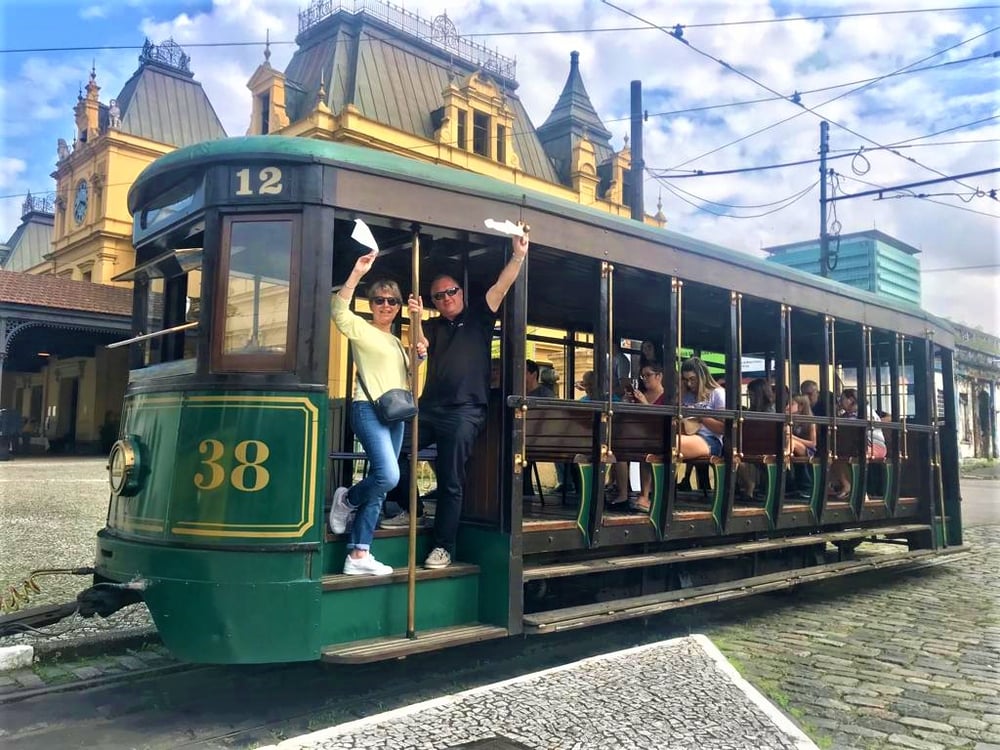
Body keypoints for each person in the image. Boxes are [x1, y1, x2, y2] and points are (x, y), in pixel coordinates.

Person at [390, 233, 529, 570]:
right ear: (434, 301)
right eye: (440, 295)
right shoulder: (434, 327)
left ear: (461, 293)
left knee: (451, 479)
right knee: (394, 448)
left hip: (466, 411)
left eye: (451, 292)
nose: (447, 298)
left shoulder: (480, 316)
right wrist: (416, 318)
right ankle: (413, 507)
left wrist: (518, 256)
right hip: (430, 408)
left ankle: (443, 547)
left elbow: (501, 286)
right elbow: (418, 347)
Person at [328, 250, 425, 576]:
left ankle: (358, 554)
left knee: (382, 485)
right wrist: (357, 271)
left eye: (392, 301)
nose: (386, 305)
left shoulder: (398, 342)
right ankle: (348, 500)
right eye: (380, 300)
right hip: (367, 408)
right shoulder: (361, 329)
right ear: (371, 304)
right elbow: (338, 309)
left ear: (399, 307)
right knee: (388, 475)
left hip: (394, 413)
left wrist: (419, 339)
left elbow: (411, 371)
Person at [626, 361, 665, 512]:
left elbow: (661, 420)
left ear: (659, 376)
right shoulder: (642, 394)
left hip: (659, 435)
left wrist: (644, 403)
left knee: (647, 449)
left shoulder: (667, 396)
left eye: (648, 375)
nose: (645, 379)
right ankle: (621, 490)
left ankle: (644, 495)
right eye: (643, 376)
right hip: (639, 434)